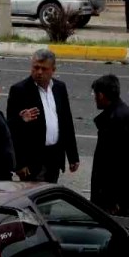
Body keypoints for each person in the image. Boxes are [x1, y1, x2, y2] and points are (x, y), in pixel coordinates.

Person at [7, 49, 79, 183]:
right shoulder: (19, 90)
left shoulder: (59, 88)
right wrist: (20, 164)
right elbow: (11, 128)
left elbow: (66, 122)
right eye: (36, 67)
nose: (39, 72)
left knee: (49, 197)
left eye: (44, 69)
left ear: (53, 70)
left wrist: (73, 156)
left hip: (54, 157)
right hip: (32, 161)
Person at [89, 74, 129, 217]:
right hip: (124, 194)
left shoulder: (116, 121)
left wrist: (113, 200)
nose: (95, 99)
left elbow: (116, 164)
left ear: (101, 95)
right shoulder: (123, 114)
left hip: (116, 197)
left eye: (95, 95)